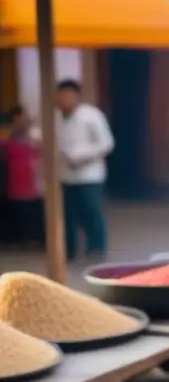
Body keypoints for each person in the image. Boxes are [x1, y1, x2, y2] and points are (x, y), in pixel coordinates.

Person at [56, 79, 114, 261]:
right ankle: (69, 251)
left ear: (77, 96)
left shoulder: (91, 115)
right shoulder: (54, 117)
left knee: (91, 211)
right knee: (67, 215)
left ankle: (96, 249)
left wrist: (82, 156)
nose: (65, 99)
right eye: (61, 96)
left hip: (90, 175)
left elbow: (107, 143)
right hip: (65, 174)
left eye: (69, 95)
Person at [4, 106, 43, 247]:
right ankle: (22, 237)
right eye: (16, 120)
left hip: (33, 177)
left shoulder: (36, 135)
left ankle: (35, 238)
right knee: (19, 209)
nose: (19, 122)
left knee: (33, 209)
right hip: (16, 177)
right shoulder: (10, 136)